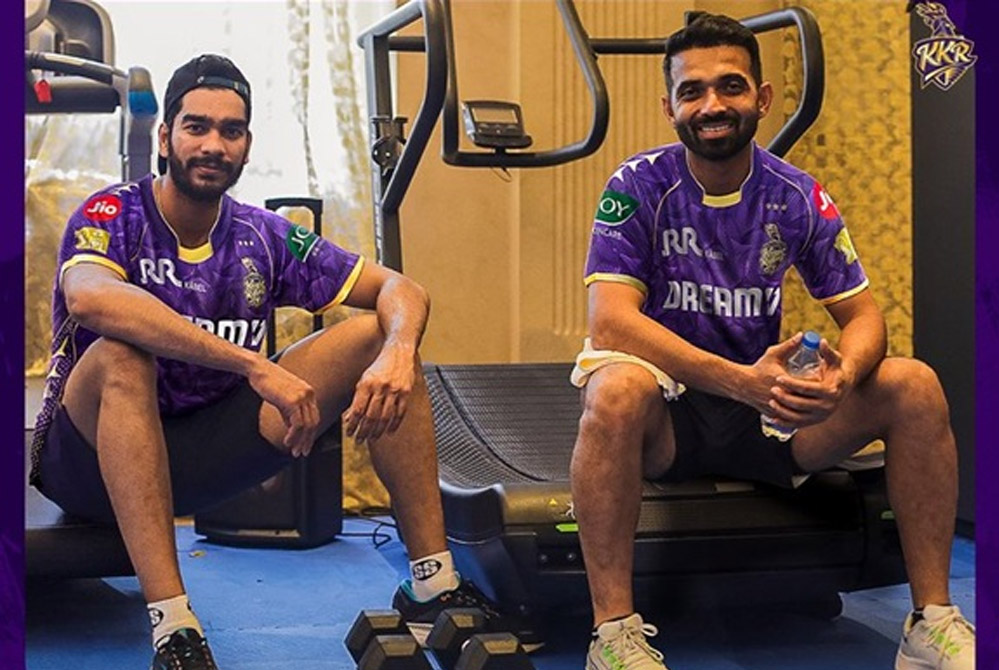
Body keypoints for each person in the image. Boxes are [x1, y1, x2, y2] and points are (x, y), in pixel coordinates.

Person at [29, 54, 534, 670]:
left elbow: (401, 289)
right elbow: (91, 298)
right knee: (121, 358)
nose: (213, 145)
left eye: (231, 131)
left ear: (245, 147)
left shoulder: (262, 235)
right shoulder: (113, 214)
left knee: (377, 335)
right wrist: (254, 365)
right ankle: (175, 628)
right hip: (86, 462)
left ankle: (431, 585)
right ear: (165, 138)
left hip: (204, 456)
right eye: (196, 127)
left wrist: (399, 354)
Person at [571, 14, 975, 670]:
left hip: (768, 417)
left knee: (914, 383)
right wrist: (739, 380)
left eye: (729, 86)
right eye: (692, 91)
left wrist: (841, 378)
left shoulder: (797, 196)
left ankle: (929, 622)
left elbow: (864, 317)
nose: (711, 105)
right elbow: (610, 322)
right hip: (670, 415)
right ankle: (612, 634)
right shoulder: (637, 185)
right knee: (614, 386)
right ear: (670, 107)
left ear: (760, 98)